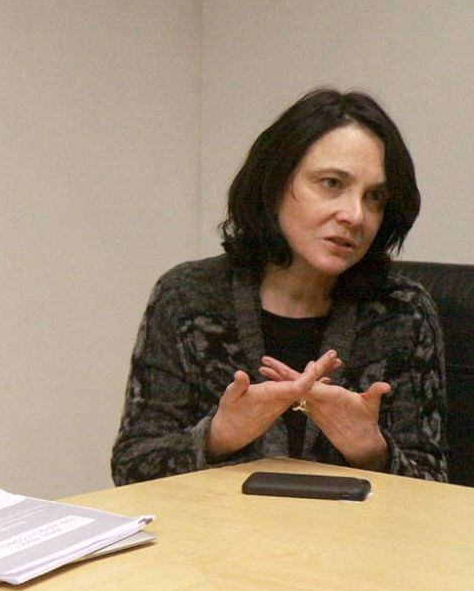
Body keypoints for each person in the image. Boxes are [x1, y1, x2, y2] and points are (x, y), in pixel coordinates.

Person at [111, 88, 448, 485]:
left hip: (350, 528)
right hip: (216, 526)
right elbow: (131, 468)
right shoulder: (186, 297)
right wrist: (219, 437)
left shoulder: (403, 312)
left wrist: (372, 451)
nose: (355, 215)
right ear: (274, 184)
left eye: (375, 197)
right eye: (332, 183)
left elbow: (434, 487)